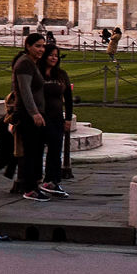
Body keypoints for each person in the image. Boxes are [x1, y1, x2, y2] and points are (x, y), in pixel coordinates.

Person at [10, 33, 49, 200]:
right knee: (30, 151)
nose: (41, 49)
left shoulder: (31, 63)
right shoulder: (25, 64)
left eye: (43, 46)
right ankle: (29, 188)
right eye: (38, 46)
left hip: (33, 113)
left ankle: (32, 185)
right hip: (28, 115)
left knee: (35, 150)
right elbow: (25, 91)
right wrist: (35, 113)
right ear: (28, 46)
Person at [40, 44, 74, 198]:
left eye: (56, 55)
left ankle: (52, 181)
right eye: (51, 55)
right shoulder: (37, 73)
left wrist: (68, 119)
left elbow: (68, 98)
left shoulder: (61, 74)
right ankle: (36, 181)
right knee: (38, 150)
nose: (54, 58)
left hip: (57, 117)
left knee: (56, 149)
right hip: (41, 117)